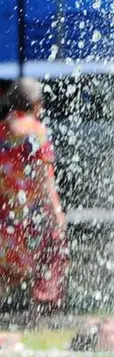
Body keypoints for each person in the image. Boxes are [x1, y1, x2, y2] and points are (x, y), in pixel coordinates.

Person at [0, 78, 68, 319]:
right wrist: (57, 213)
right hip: (31, 227)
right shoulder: (36, 132)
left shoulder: (0, 131)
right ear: (37, 104)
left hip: (5, 228)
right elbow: (44, 181)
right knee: (54, 251)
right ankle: (42, 315)